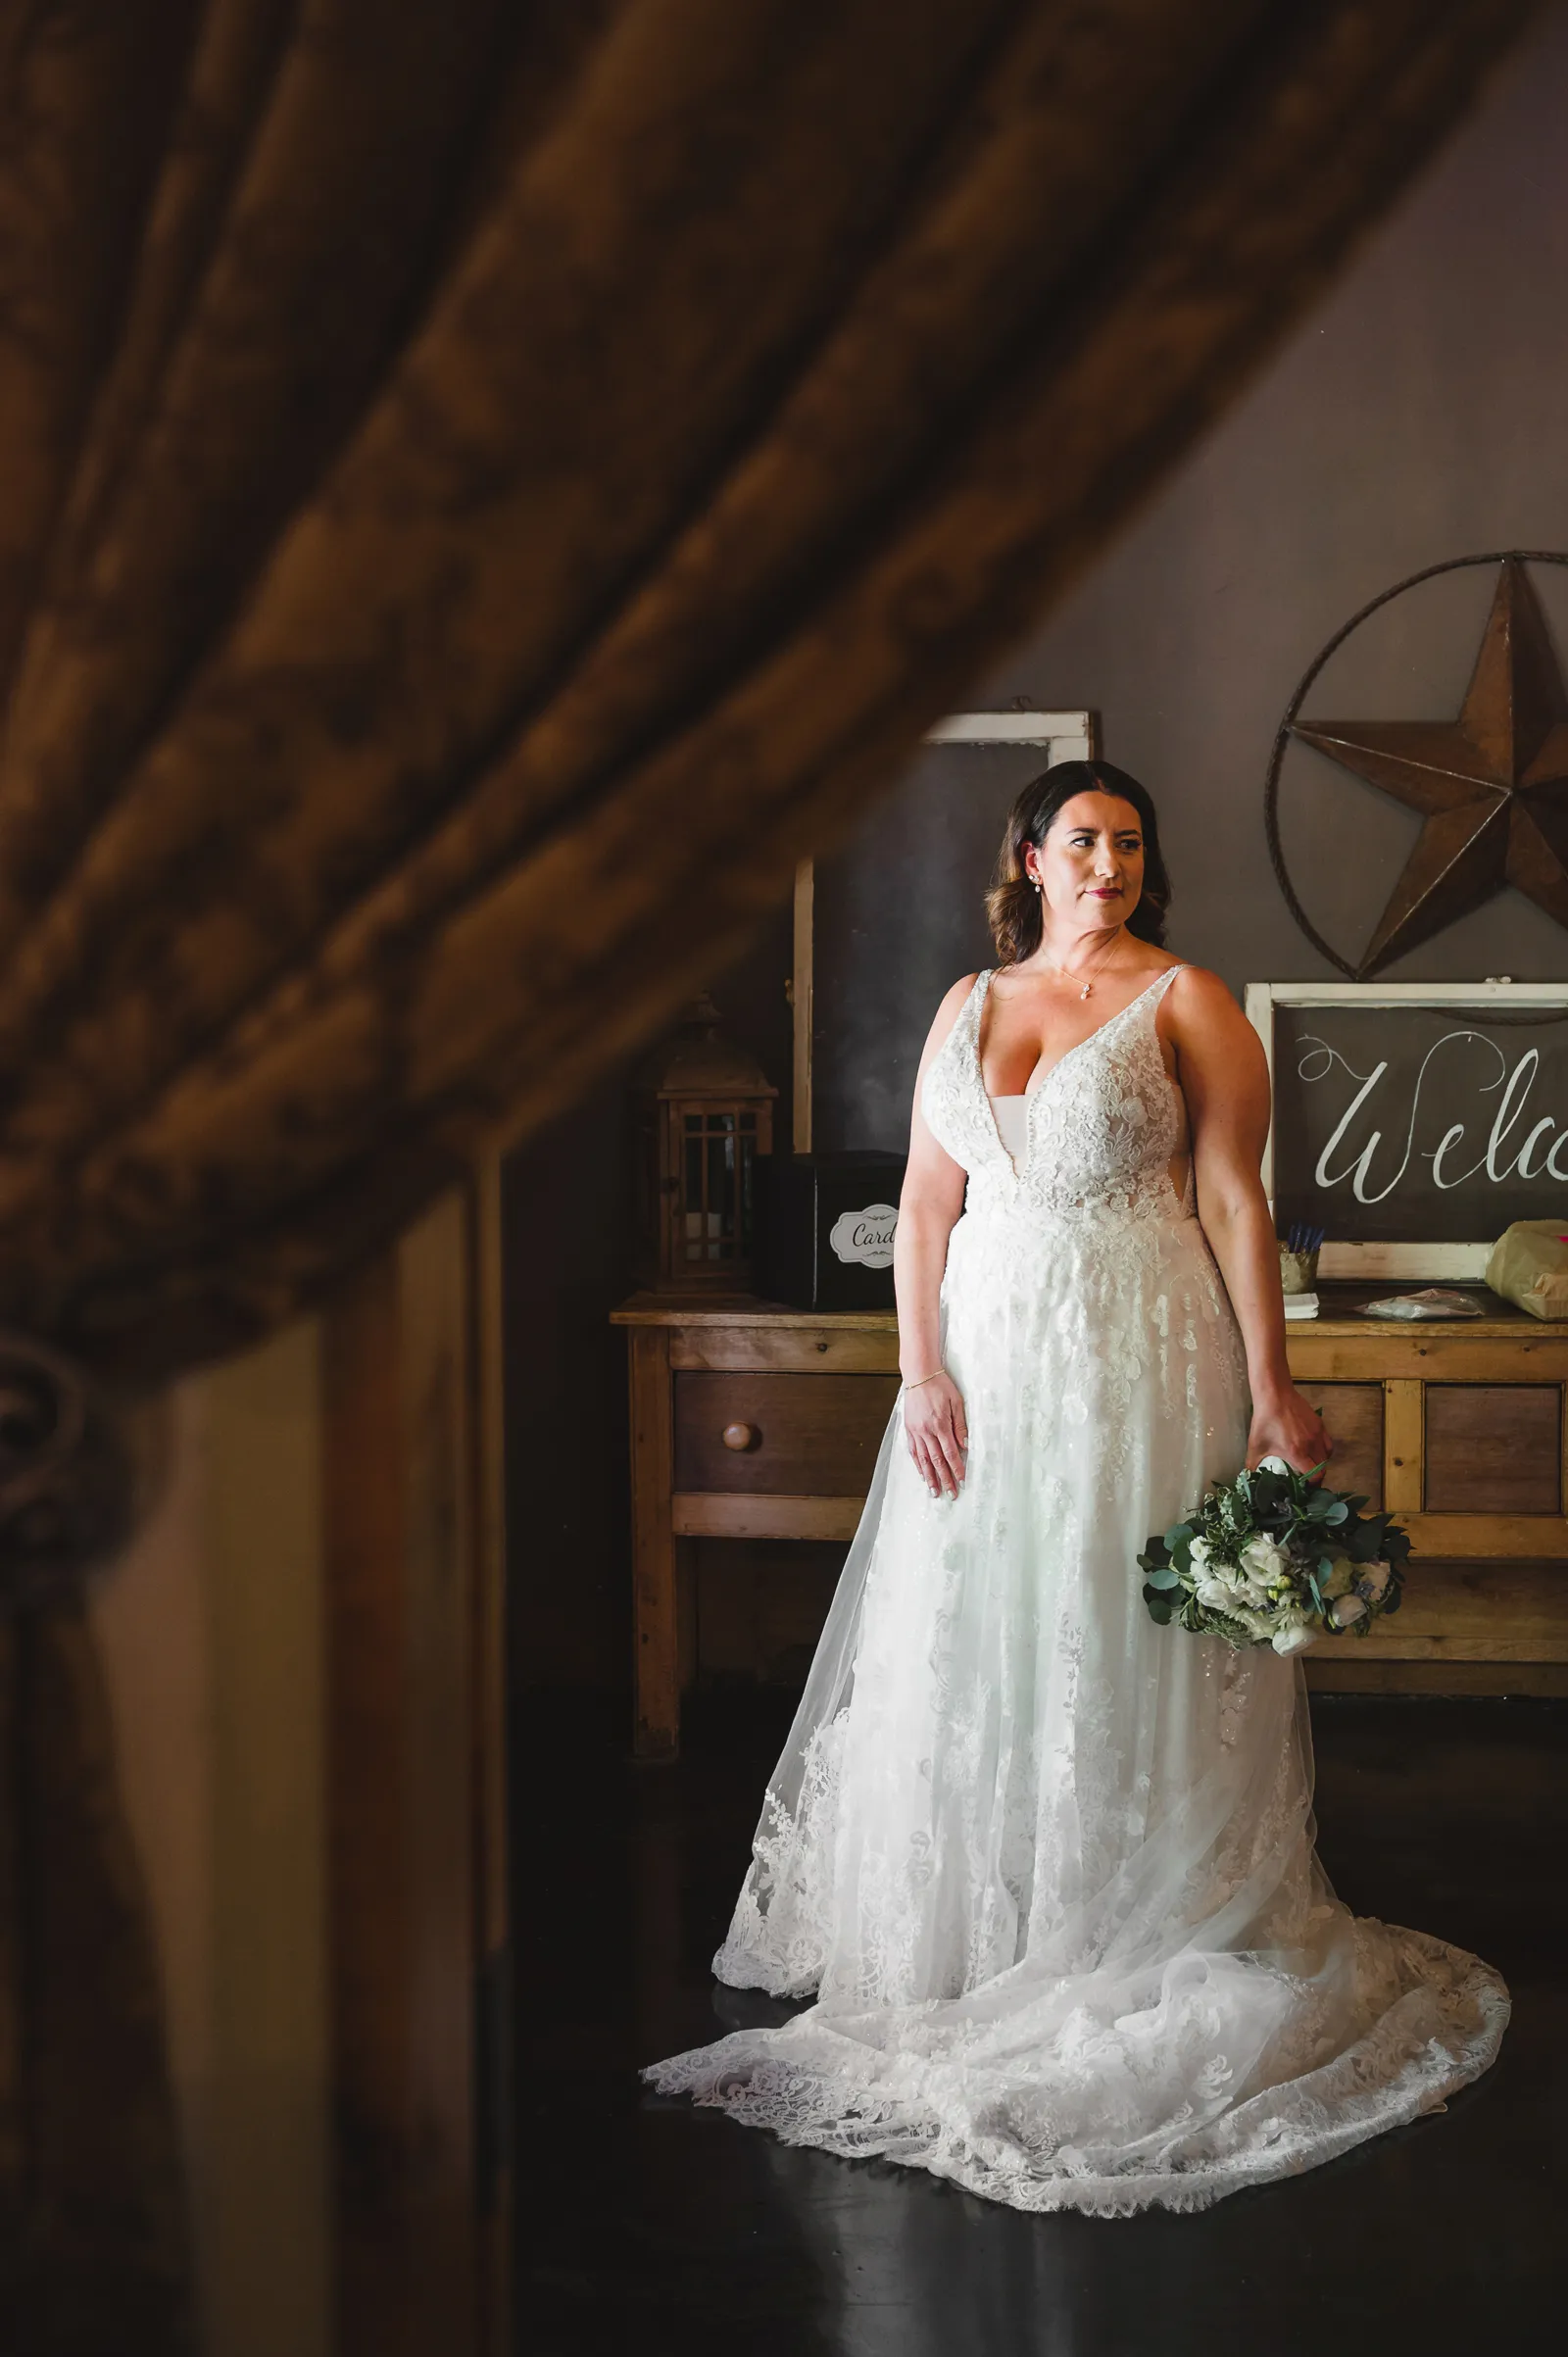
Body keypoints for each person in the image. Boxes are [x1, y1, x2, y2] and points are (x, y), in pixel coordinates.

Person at [646, 761, 1507, 2214]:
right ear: (1031, 859)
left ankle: (1129, 1901)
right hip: (983, 1356)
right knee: (982, 1608)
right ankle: (978, 1912)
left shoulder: (1189, 1001)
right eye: (1084, 841)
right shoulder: (964, 1006)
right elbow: (925, 1207)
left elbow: (1234, 1200)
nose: (1108, 863)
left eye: (1129, 844)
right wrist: (920, 1373)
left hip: (1138, 1348)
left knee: (1119, 1612)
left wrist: (1276, 1385)